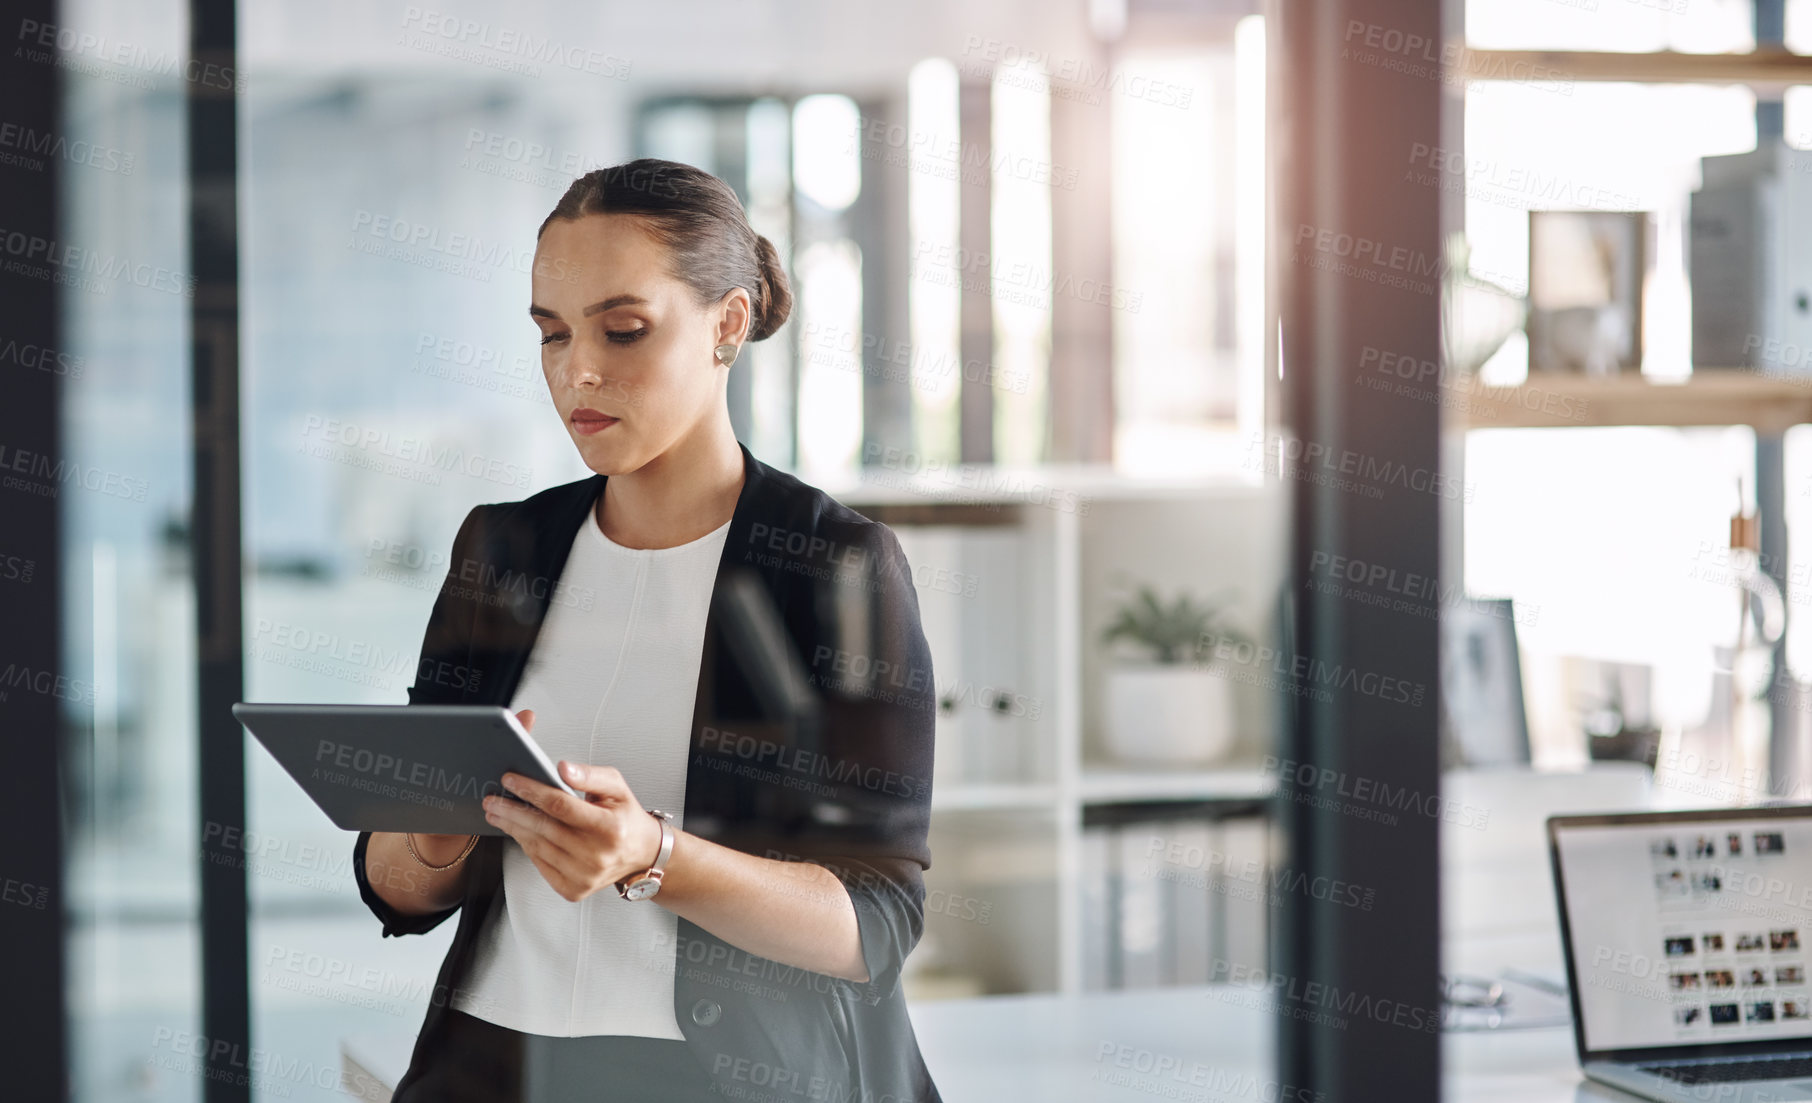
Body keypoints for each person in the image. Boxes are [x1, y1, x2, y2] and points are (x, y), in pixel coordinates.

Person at [352, 158, 942, 1102]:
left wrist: (654, 857)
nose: (578, 369)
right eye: (552, 334)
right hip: (491, 1063)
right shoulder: (503, 546)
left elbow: (872, 917)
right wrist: (433, 838)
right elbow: (396, 887)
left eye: (623, 330)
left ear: (729, 323)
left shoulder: (835, 564)